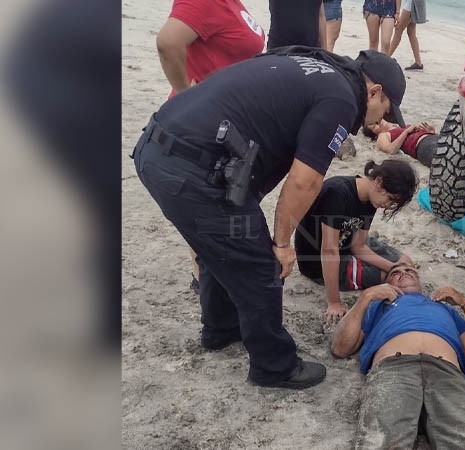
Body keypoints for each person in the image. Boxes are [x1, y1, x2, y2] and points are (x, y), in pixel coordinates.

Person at [131, 47, 407, 389]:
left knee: (225, 242)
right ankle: (274, 366)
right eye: (387, 110)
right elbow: (305, 181)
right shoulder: (342, 99)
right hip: (190, 165)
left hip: (158, 146)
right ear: (375, 91)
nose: (384, 120)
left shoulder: (314, 65)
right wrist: (282, 244)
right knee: (263, 264)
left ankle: (220, 329)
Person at [156, 0, 266, 292]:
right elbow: (167, 42)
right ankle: (203, 275)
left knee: (222, 198)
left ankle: (209, 272)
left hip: (227, 123)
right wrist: (187, 95)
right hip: (203, 123)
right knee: (207, 201)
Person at [331, 262, 465, 449]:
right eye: (395, 273)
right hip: (394, 369)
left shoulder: (444, 307)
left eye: (409, 271)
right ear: (387, 285)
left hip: (446, 372)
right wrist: (366, 297)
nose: (404, 273)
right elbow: (340, 348)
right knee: (380, 442)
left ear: (419, 280)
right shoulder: (377, 306)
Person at [295, 159, 418, 324]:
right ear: (378, 182)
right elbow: (329, 250)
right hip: (318, 261)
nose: (388, 205)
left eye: (393, 203)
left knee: (406, 265)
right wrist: (334, 302)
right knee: (394, 280)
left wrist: (394, 268)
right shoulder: (337, 193)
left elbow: (358, 246)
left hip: (346, 242)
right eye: (390, 198)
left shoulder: (371, 200)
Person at [363, 119, 437, 166]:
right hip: (422, 145)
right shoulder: (382, 135)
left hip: (432, 138)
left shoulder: (399, 125)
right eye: (374, 126)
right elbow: (390, 150)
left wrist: (431, 132)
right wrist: (406, 132)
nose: (378, 123)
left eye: (376, 120)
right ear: (374, 135)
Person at [389, 0, 427, 70]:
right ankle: (418, 62)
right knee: (411, 32)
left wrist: (397, 12)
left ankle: (386, 57)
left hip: (411, 2)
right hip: (412, 2)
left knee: (398, 29)